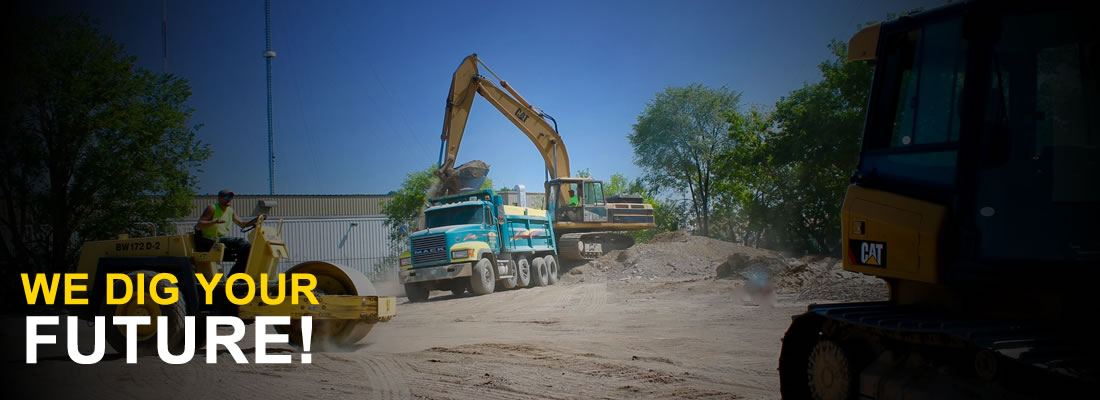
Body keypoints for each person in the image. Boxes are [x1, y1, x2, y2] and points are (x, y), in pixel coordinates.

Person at [194, 189, 255, 275]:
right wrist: (215, 221)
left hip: (220, 240)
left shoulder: (230, 210)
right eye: (226, 197)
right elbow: (200, 225)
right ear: (219, 198)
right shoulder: (212, 208)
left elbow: (241, 224)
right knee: (243, 243)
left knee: (248, 248)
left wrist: (254, 221)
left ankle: (239, 274)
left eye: (230, 197)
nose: (229, 199)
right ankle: (234, 275)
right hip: (210, 240)